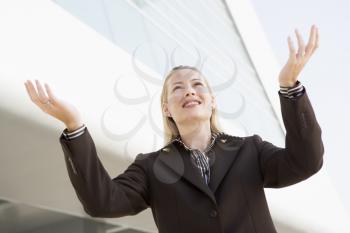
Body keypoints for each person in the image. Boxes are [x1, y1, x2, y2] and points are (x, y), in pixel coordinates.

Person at [24, 25, 323, 233]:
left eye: (197, 85)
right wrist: (74, 125)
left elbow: (306, 161)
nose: (189, 91)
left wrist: (290, 89)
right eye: (177, 89)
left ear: (212, 102)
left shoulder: (250, 150)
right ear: (167, 108)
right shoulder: (151, 167)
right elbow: (102, 202)